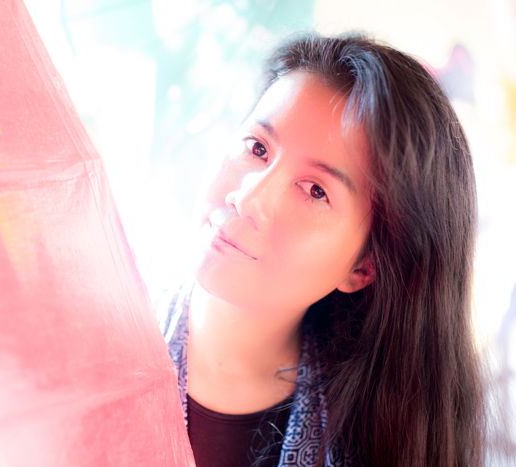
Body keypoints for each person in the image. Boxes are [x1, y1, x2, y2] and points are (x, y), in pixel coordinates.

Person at [158, 33, 484, 467]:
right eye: (258, 148)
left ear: (365, 267)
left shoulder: (377, 445)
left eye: (314, 191)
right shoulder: (84, 342)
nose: (249, 197)